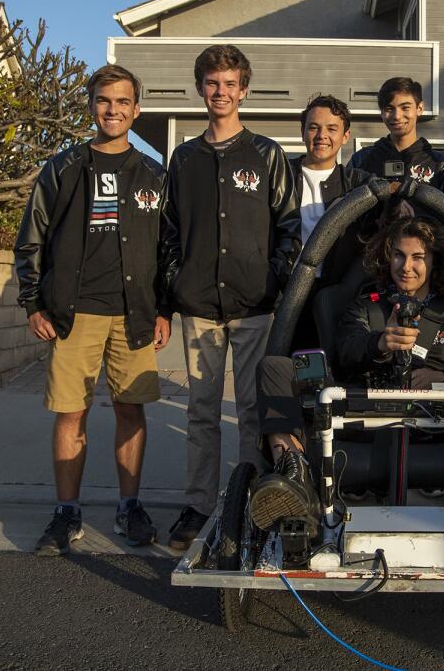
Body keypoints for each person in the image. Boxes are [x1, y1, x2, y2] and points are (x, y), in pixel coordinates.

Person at [250, 216, 444, 544]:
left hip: (440, 424)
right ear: (388, 258)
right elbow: (346, 348)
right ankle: (294, 479)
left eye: (418, 257)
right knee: (275, 366)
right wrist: (380, 342)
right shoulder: (365, 307)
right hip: (365, 420)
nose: (407, 266)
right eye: (399, 255)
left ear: (434, 261)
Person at [14, 64, 170, 556]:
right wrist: (32, 302)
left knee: (131, 409)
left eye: (123, 102)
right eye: (105, 100)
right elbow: (31, 238)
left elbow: (170, 248)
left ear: (136, 109)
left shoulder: (153, 174)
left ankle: (129, 505)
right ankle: (67, 512)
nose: (113, 110)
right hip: (74, 312)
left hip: (135, 314)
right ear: (92, 106)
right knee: (70, 413)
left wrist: (164, 308)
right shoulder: (62, 168)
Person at [161, 44, 301, 551]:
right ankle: (198, 506)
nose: (220, 92)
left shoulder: (266, 155)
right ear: (201, 88)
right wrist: (177, 284)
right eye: (212, 83)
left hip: (253, 308)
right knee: (200, 412)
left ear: (244, 90)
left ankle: (246, 505)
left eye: (229, 84)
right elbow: (170, 230)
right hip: (199, 307)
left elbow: (289, 229)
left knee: (251, 412)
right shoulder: (184, 157)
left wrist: (272, 281)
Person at [289, 94, 374, 349]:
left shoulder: (360, 182)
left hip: (337, 295)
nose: (321, 135)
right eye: (313, 127)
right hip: (288, 293)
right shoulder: (280, 175)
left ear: (346, 136)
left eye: (331, 129)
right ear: (302, 131)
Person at [346, 77, 444, 189]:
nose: (397, 116)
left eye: (405, 108)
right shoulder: (361, 160)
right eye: (389, 109)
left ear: (420, 108)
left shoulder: (439, 164)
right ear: (381, 112)